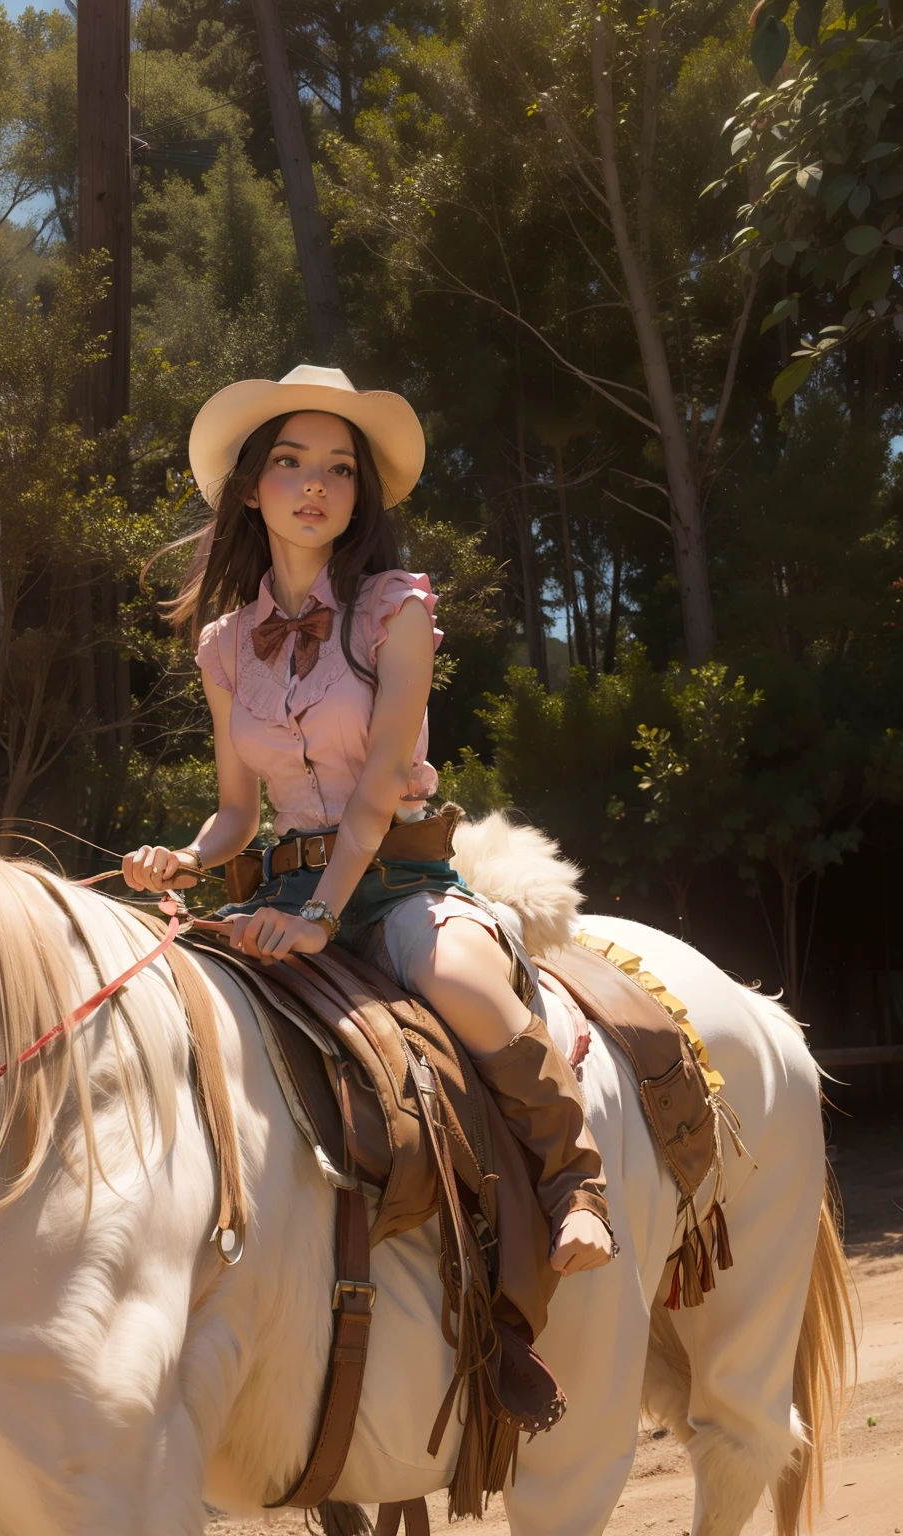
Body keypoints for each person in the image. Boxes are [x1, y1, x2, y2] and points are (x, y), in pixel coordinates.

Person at [124, 365, 612, 1424]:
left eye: (339, 468)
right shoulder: (222, 646)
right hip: (281, 895)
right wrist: (184, 860)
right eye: (291, 462)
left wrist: (317, 916)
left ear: (361, 497)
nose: (315, 485)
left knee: (464, 986)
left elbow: (385, 782)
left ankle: (578, 1183)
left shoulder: (396, 609)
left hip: (395, 881)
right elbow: (236, 812)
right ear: (251, 487)